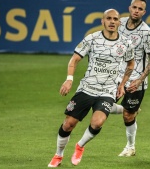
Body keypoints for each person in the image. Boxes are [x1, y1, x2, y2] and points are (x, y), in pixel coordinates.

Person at [48, 9, 135, 167]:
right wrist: (69, 80)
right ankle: (58, 155)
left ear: (119, 22)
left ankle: (80, 146)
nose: (112, 21)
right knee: (68, 124)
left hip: (107, 91)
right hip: (87, 88)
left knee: (97, 123)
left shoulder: (125, 43)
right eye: (108, 18)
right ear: (102, 21)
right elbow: (74, 60)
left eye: (115, 19)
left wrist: (122, 84)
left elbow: (131, 64)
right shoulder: (92, 39)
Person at [110, 0, 150, 156]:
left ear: (144, 12)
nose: (136, 11)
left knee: (128, 116)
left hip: (135, 80)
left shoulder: (146, 32)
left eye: (140, 9)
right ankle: (131, 108)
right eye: (134, 7)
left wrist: (140, 79)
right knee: (100, 105)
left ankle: (130, 147)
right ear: (130, 8)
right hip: (116, 77)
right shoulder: (119, 23)